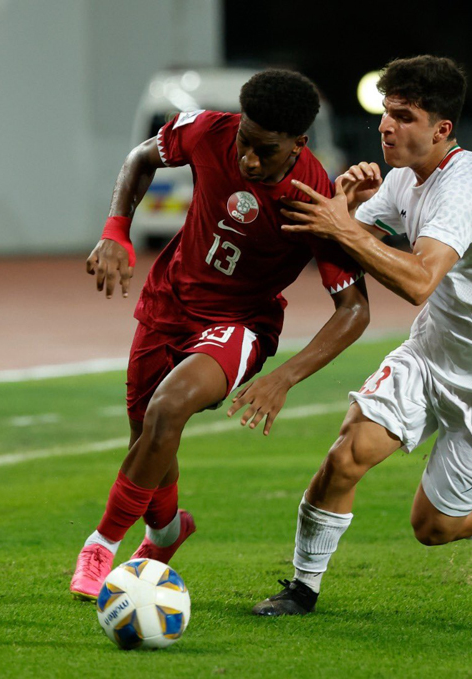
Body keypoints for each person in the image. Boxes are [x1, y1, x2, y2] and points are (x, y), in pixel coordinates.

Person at [251, 55, 472, 616]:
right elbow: (342, 245)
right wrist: (347, 204)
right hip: (432, 352)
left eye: (404, 116)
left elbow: (417, 280)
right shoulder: (404, 182)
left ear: (442, 130)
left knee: (434, 526)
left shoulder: (466, 187)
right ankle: (302, 589)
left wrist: (345, 226)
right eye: (386, 114)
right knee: (346, 456)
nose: (386, 126)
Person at [69, 69, 370, 600]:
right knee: (146, 434)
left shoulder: (315, 197)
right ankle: (165, 533)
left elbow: (353, 310)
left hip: (238, 324)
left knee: (167, 409)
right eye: (244, 142)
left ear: (299, 144)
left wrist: (283, 378)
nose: (248, 159)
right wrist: (115, 229)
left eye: (265, 151)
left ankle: (100, 545)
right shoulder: (210, 130)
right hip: (169, 300)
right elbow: (141, 157)